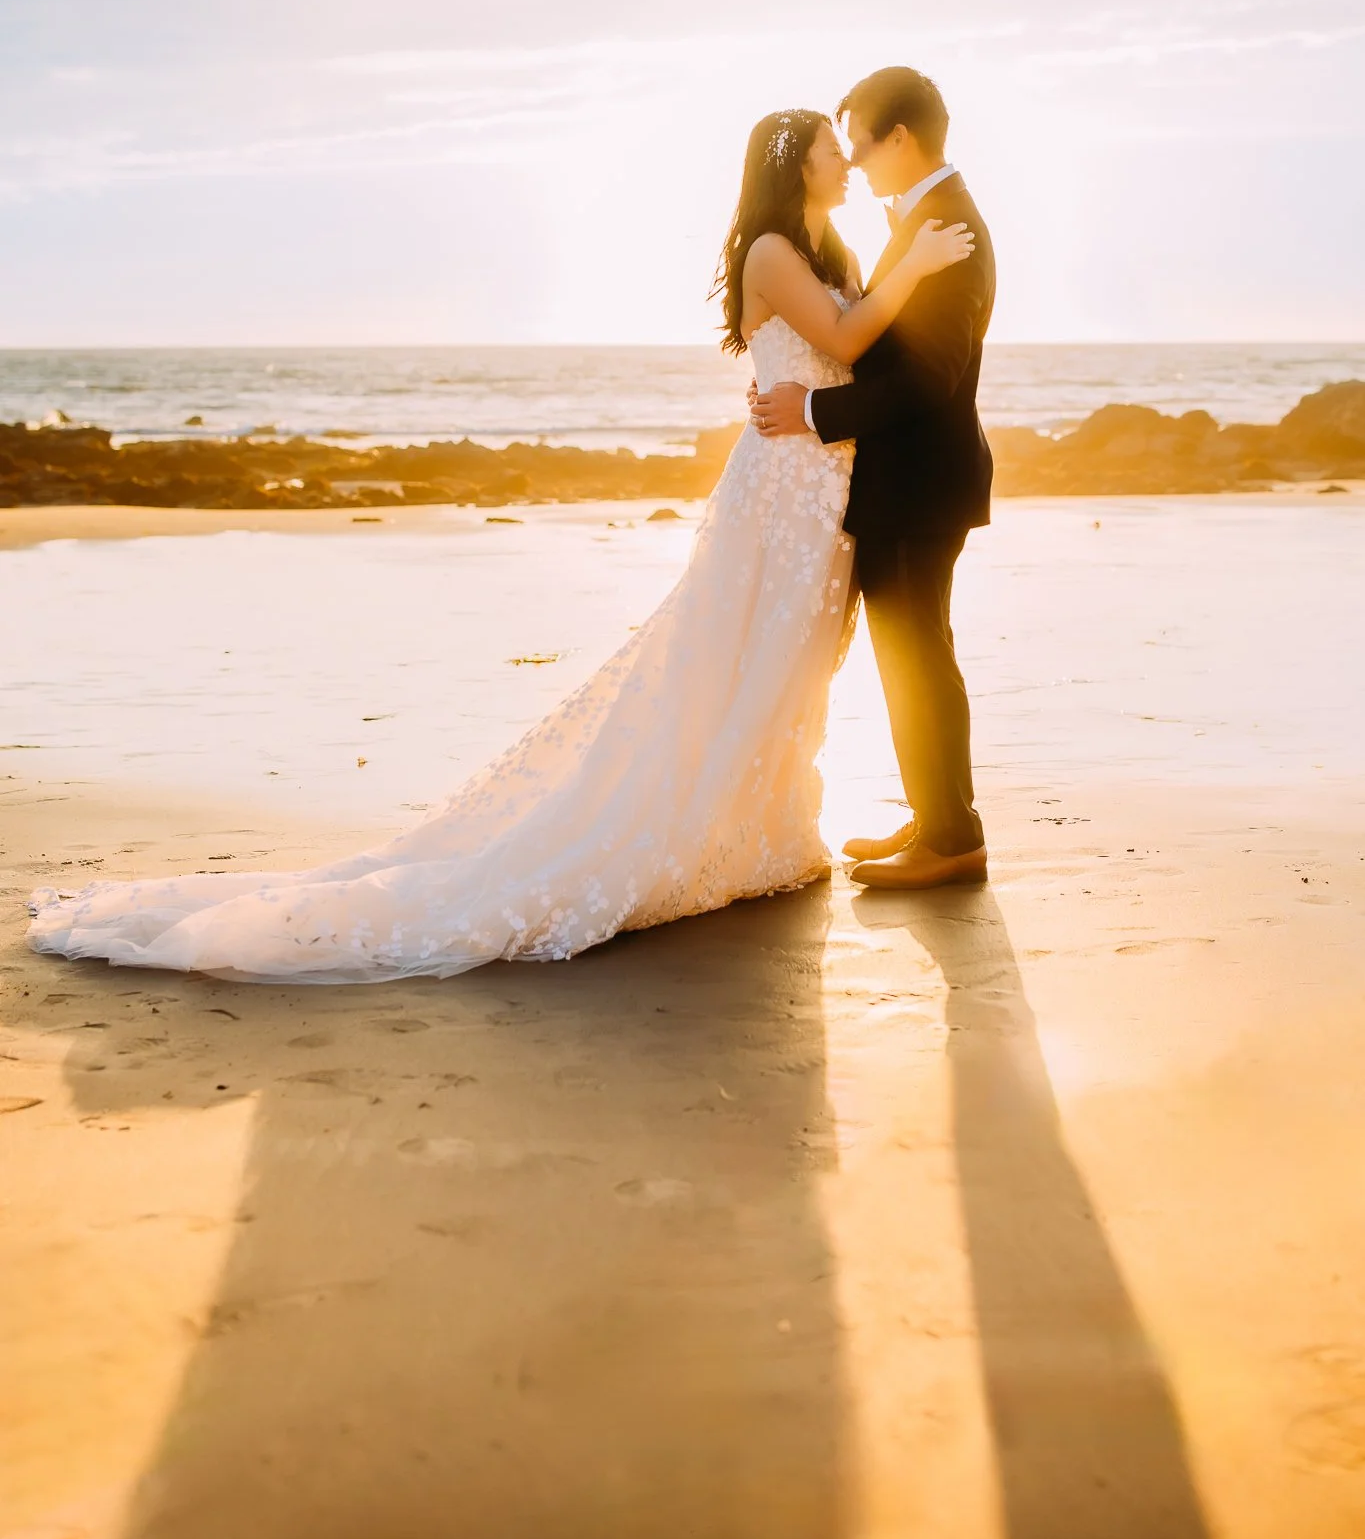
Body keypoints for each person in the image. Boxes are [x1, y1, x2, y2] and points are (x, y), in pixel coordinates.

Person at [28, 108, 970, 984]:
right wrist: (915, 267)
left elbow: (849, 352)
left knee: (792, 658)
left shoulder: (832, 246)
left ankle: (767, 828)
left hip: (820, 483)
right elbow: (845, 333)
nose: (846, 161)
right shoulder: (771, 249)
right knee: (740, 650)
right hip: (780, 489)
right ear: (793, 166)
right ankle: (705, 832)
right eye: (831, 151)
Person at [753, 67, 995, 890]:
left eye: (858, 141)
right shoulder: (925, 221)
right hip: (909, 480)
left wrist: (813, 410)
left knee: (917, 655)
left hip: (920, 482)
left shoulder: (946, 225)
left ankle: (950, 841)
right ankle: (938, 819)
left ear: (899, 137)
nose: (852, 159)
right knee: (913, 653)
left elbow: (927, 378)